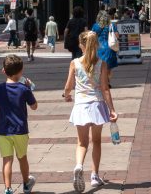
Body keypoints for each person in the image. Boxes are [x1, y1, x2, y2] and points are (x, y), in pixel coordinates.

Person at [63, 31, 118, 192]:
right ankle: (94, 176)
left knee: (82, 142)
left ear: (81, 45)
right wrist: (112, 109)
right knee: (97, 141)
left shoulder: (75, 63)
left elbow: (68, 86)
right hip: (97, 105)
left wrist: (66, 95)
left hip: (81, 105)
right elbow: (105, 88)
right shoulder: (101, 63)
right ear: (95, 45)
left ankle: (79, 166)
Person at [0, 54, 38, 194]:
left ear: (4, 70)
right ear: (21, 71)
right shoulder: (24, 88)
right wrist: (29, 88)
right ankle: (26, 183)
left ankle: (7, 188)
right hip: (20, 130)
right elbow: (34, 106)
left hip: (3, 131)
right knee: (22, 158)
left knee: (7, 160)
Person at [91, 7, 118, 73]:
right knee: (108, 69)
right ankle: (107, 81)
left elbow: (92, 37)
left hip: (98, 48)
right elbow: (117, 35)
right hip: (109, 48)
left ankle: (101, 81)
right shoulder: (111, 25)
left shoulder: (95, 26)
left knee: (99, 68)